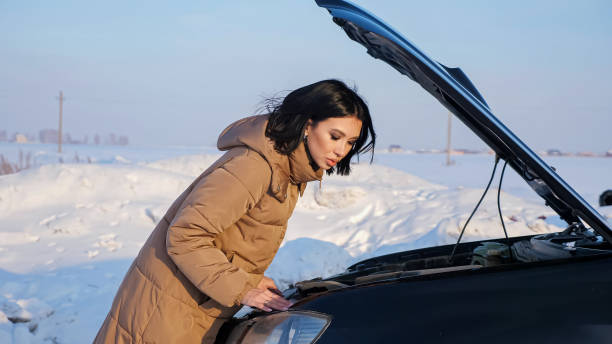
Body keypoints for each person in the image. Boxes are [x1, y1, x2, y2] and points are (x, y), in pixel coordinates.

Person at [94, 79, 376, 343]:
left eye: (350, 142)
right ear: (307, 125)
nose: (341, 150)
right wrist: (243, 288)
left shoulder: (285, 170)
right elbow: (185, 236)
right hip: (166, 312)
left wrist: (249, 279)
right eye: (335, 136)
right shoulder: (254, 166)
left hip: (191, 304)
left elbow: (230, 239)